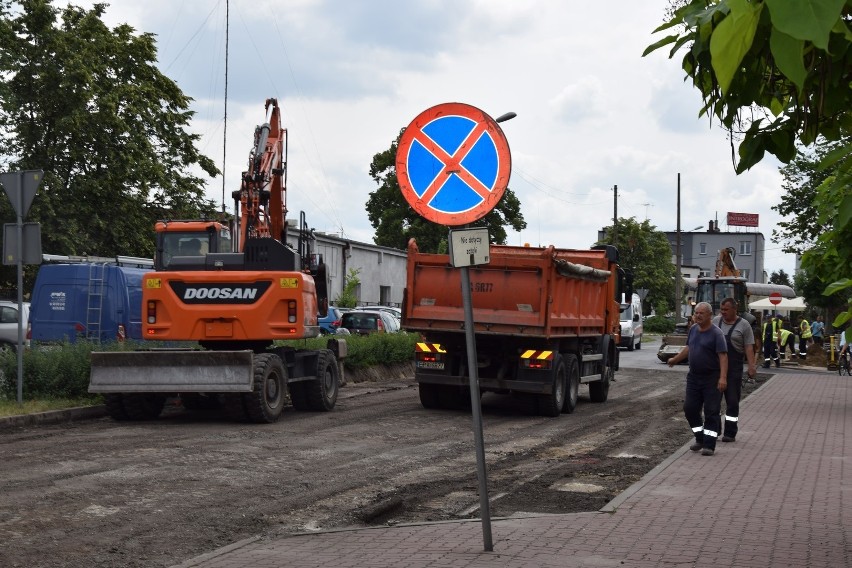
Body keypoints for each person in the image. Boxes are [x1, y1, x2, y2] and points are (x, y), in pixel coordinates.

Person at [668, 302, 728, 456]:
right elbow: (689, 347)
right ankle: (700, 437)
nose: (697, 316)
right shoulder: (693, 329)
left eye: (701, 313)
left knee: (711, 411)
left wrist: (722, 378)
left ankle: (709, 445)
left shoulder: (717, 333)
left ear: (709, 316)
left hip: (711, 379)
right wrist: (675, 359)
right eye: (696, 312)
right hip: (694, 378)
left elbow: (723, 357)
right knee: (690, 409)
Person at [712, 298, 756, 443]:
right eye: (721, 309)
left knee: (732, 401)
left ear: (734, 309)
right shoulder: (715, 322)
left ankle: (730, 432)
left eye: (726, 310)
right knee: (713, 402)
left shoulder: (744, 325)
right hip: (715, 369)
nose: (722, 312)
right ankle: (714, 430)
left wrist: (751, 366)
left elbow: (749, 347)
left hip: (734, 370)